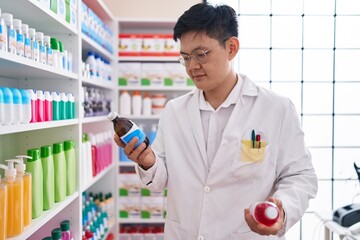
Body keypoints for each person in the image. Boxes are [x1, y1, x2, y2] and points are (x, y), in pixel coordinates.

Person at [114, 2, 318, 239]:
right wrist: (148, 161)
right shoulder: (174, 112)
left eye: (201, 54)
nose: (192, 67)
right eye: (185, 57)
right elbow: (160, 181)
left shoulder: (276, 109)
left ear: (231, 48)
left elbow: (301, 176)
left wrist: (282, 211)